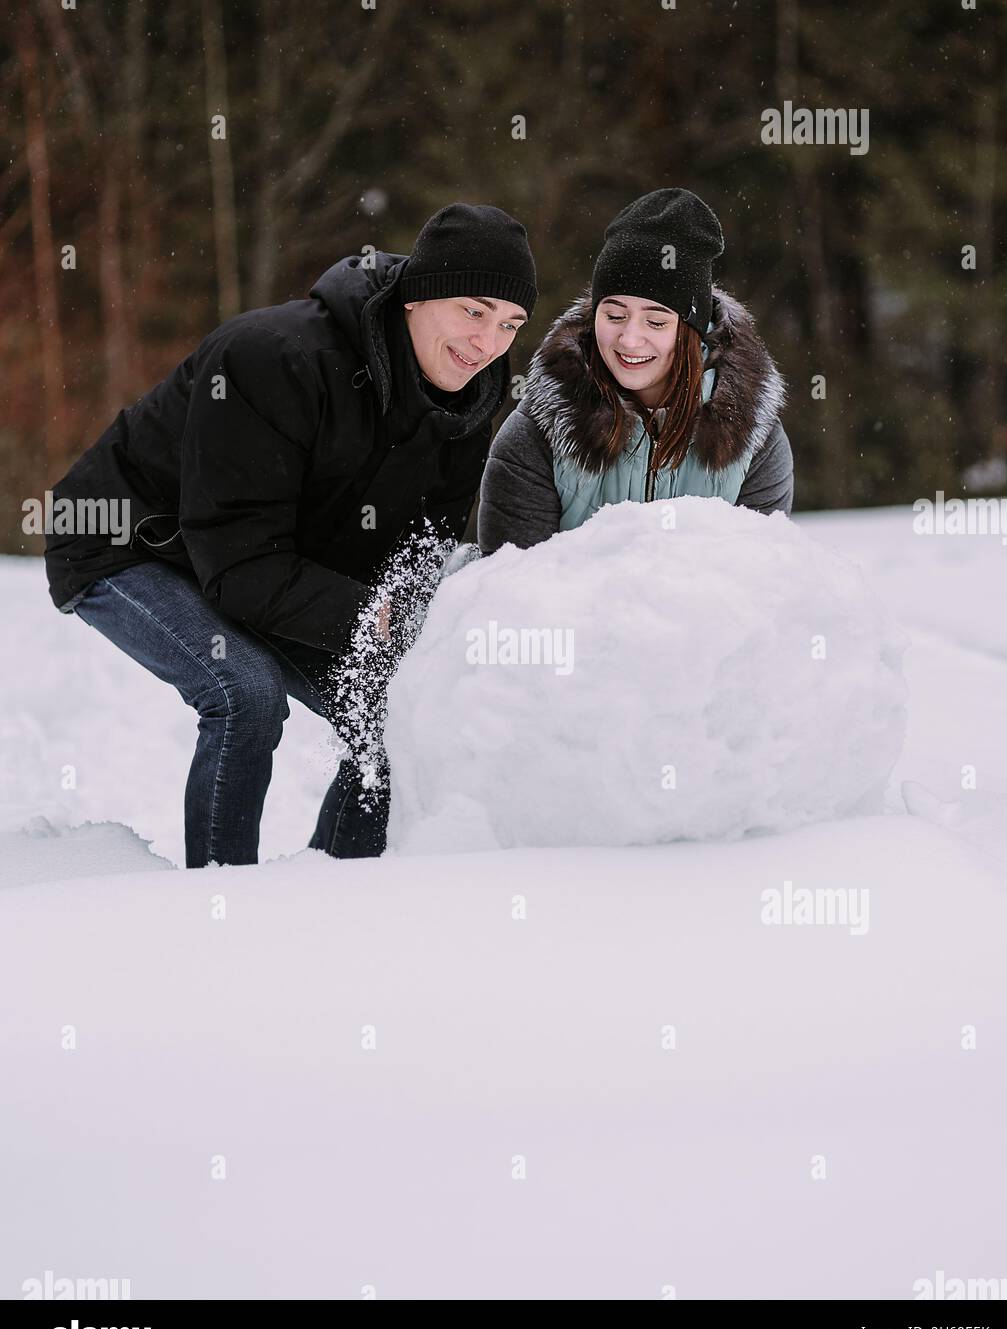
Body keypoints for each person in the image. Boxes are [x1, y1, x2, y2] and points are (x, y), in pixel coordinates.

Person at [43, 204, 537, 867]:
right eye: (474, 312)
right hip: (129, 541)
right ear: (418, 297)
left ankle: (335, 892)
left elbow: (418, 550)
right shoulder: (277, 358)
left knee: (403, 708)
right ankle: (222, 900)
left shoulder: (472, 402)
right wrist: (370, 615)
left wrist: (415, 633)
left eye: (509, 325)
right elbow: (238, 564)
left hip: (270, 559)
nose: (487, 344)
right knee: (245, 694)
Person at [477, 188, 792, 556]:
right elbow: (510, 589)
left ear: (691, 330)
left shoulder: (752, 442)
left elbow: (759, 588)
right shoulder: (540, 433)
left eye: (656, 322)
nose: (629, 339)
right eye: (614, 315)